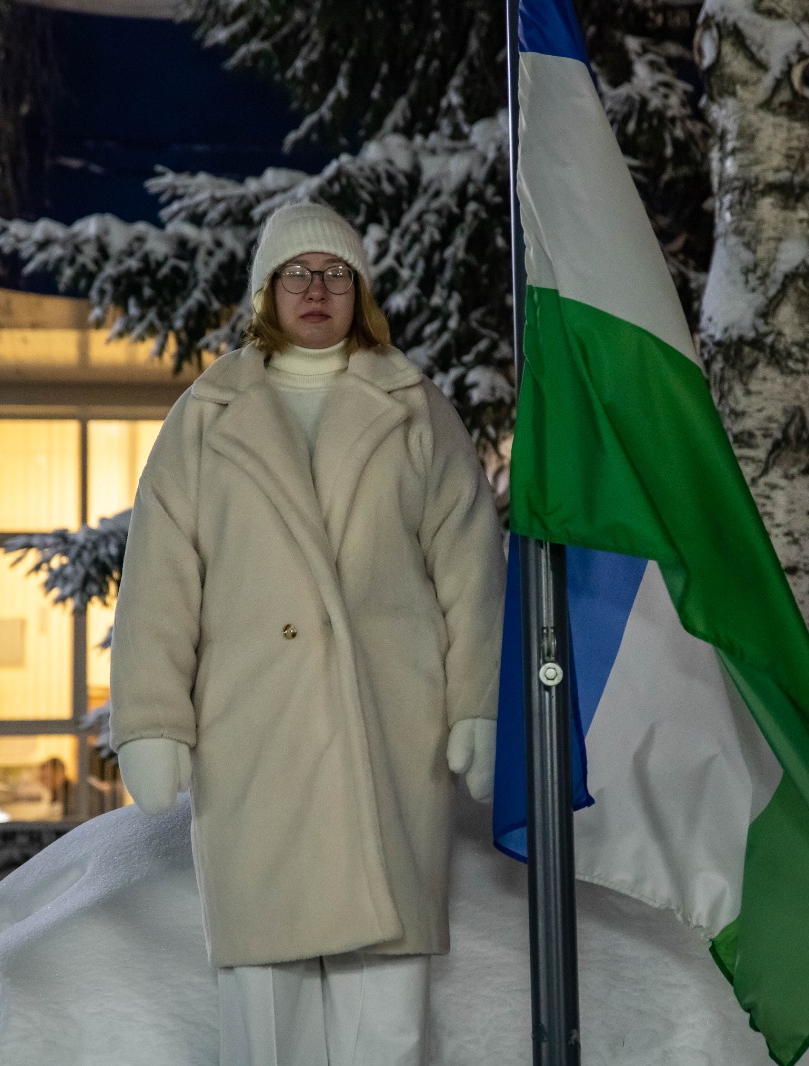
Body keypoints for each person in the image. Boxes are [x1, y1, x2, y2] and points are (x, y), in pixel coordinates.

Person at [109, 203, 505, 1066]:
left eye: (334, 273)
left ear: (359, 291)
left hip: (389, 723)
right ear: (266, 291)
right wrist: (151, 719)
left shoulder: (413, 407)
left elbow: (472, 567)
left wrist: (477, 702)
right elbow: (159, 581)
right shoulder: (207, 415)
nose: (315, 288)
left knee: (386, 995)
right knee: (265, 982)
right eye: (296, 273)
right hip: (256, 727)